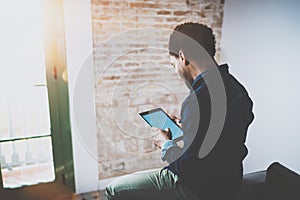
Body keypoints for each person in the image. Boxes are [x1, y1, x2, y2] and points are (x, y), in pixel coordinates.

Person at [105, 22, 254, 200]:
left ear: (182, 57)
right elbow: (221, 136)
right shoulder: (238, 89)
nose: (176, 71)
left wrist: (165, 144)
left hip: (200, 190)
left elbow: (189, 170)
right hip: (230, 184)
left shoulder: (196, 101)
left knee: (114, 189)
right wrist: (189, 125)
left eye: (173, 64)